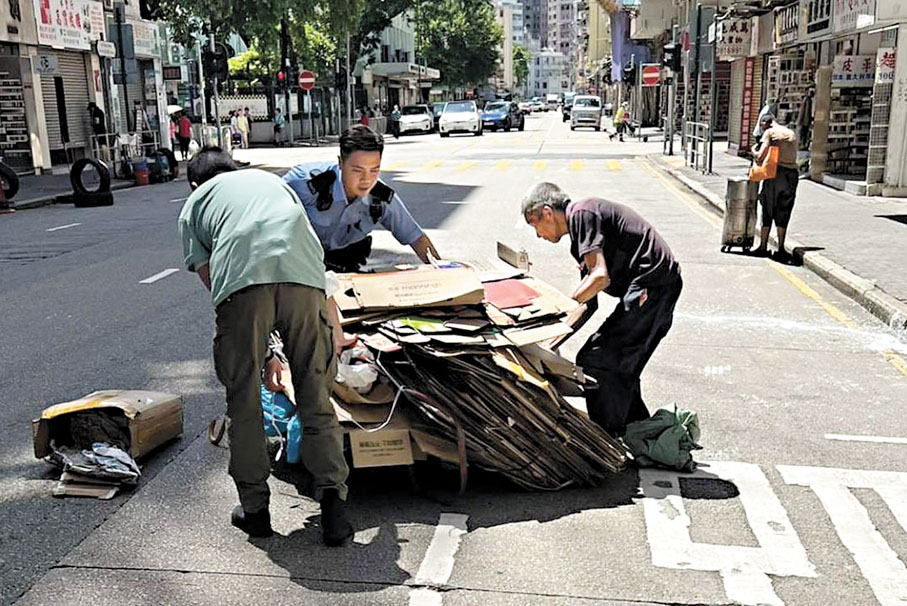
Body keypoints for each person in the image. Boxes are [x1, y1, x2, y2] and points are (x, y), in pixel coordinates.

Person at [178, 147, 353, 546]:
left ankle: (255, 512)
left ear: (194, 183)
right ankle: (333, 510)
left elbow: (214, 280)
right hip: (306, 281)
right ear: (235, 166)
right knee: (315, 396)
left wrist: (260, 347)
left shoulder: (194, 204)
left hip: (242, 286)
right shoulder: (271, 183)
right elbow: (297, 242)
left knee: (244, 404)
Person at [521, 182, 682, 436]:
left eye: (534, 224)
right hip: (656, 289)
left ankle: (606, 436)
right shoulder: (579, 238)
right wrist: (550, 342)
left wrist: (558, 305)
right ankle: (640, 433)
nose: (538, 234)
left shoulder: (583, 214)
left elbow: (599, 278)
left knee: (595, 360)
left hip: (652, 287)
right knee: (622, 368)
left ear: (548, 212)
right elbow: (590, 303)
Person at [282, 125, 440, 273]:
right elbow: (266, 212)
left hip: (344, 267)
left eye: (374, 170)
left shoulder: (380, 197)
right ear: (340, 163)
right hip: (299, 265)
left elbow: (416, 238)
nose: (367, 179)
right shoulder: (306, 183)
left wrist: (446, 275)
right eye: (358, 170)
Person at [751, 113, 799, 262]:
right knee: (784, 210)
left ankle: (763, 246)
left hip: (775, 174)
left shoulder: (770, 133)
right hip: (792, 175)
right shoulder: (790, 133)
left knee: (768, 209)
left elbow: (760, 156)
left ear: (766, 123)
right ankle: (781, 248)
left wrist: (754, 150)